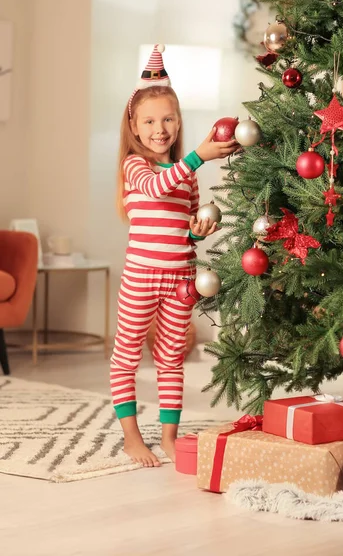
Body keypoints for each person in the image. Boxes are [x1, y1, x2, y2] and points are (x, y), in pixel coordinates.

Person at [110, 44, 239, 467]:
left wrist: (199, 229)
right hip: (142, 276)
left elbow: (184, 224)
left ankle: (168, 435)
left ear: (179, 120)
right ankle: (131, 437)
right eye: (149, 121)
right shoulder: (135, 167)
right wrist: (199, 155)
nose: (159, 128)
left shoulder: (186, 177)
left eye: (167, 119)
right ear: (134, 125)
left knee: (170, 358)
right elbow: (154, 190)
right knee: (126, 355)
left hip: (180, 276)